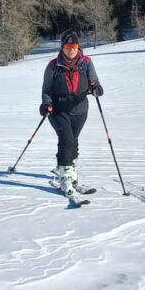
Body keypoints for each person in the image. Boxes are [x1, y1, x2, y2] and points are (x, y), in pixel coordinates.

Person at [40, 32, 103, 195]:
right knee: (66, 139)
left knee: (73, 140)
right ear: (62, 47)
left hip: (80, 109)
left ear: (78, 47)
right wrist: (46, 103)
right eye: (68, 47)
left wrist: (96, 88)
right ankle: (65, 176)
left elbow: (94, 81)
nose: (71, 50)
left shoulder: (86, 63)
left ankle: (69, 171)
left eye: (74, 47)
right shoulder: (53, 66)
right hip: (58, 108)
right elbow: (46, 89)